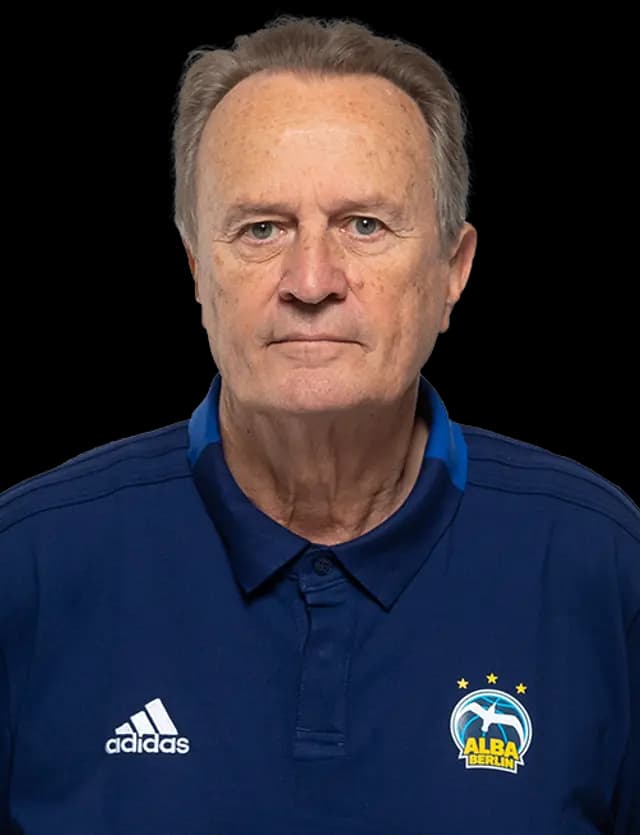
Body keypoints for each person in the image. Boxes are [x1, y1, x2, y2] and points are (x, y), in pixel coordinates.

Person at [1, 14, 638, 835]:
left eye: (364, 225)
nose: (311, 280)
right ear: (197, 270)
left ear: (453, 270)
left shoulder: (603, 564)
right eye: (261, 228)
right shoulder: (27, 565)